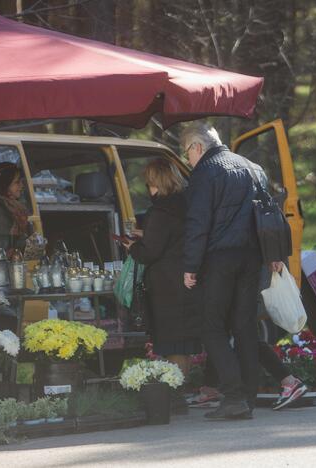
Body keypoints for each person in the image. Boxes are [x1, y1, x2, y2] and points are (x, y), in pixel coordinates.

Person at [181, 122, 283, 420]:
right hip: (252, 259)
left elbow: (198, 223)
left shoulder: (204, 172)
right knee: (245, 327)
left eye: (186, 152)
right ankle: (247, 399)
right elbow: (271, 215)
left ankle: (234, 395)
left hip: (219, 259)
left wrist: (190, 266)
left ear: (197, 147)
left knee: (212, 327)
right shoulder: (253, 167)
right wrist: (275, 255)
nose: (187, 159)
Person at [121, 158, 201, 381]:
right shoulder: (184, 204)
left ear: (155, 183)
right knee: (182, 346)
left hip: (167, 287)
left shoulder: (159, 211)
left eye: (149, 183)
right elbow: (175, 237)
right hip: (185, 281)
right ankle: (180, 388)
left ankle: (174, 391)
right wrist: (146, 234)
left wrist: (132, 247)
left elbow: (150, 253)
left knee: (172, 345)